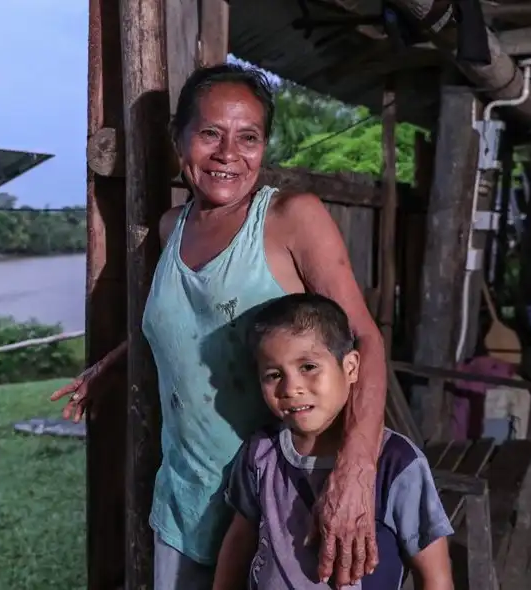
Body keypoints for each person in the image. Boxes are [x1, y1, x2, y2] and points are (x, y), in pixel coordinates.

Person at [52, 62, 388, 589]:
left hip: (278, 507)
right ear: (177, 139)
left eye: (248, 137)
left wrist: (355, 472)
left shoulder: (290, 219)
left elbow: (363, 339)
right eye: (210, 133)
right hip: (184, 502)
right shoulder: (171, 226)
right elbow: (183, 322)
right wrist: (111, 365)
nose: (229, 154)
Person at [212, 293, 454, 590]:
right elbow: (239, 540)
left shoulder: (396, 462)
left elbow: (435, 577)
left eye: (308, 367)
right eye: (274, 375)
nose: (292, 388)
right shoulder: (261, 452)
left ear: (351, 368)